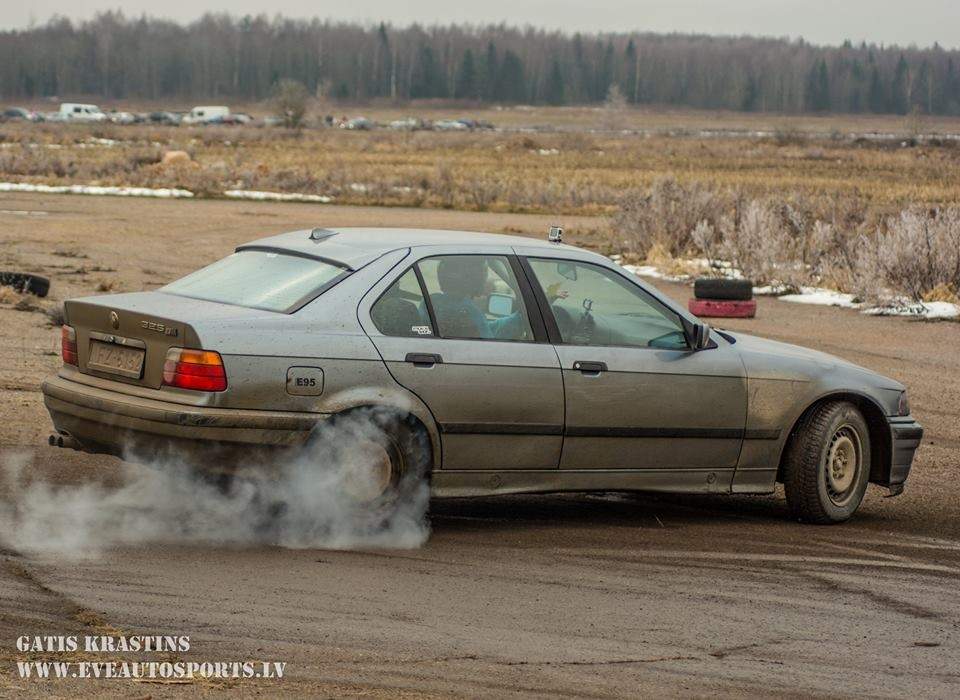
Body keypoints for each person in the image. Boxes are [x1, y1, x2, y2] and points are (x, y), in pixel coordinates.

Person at [429, 258, 525, 340]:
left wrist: (517, 319)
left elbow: (487, 328)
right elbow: (490, 345)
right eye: (483, 273)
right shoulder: (470, 311)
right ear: (473, 279)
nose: (485, 278)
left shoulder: (430, 302)